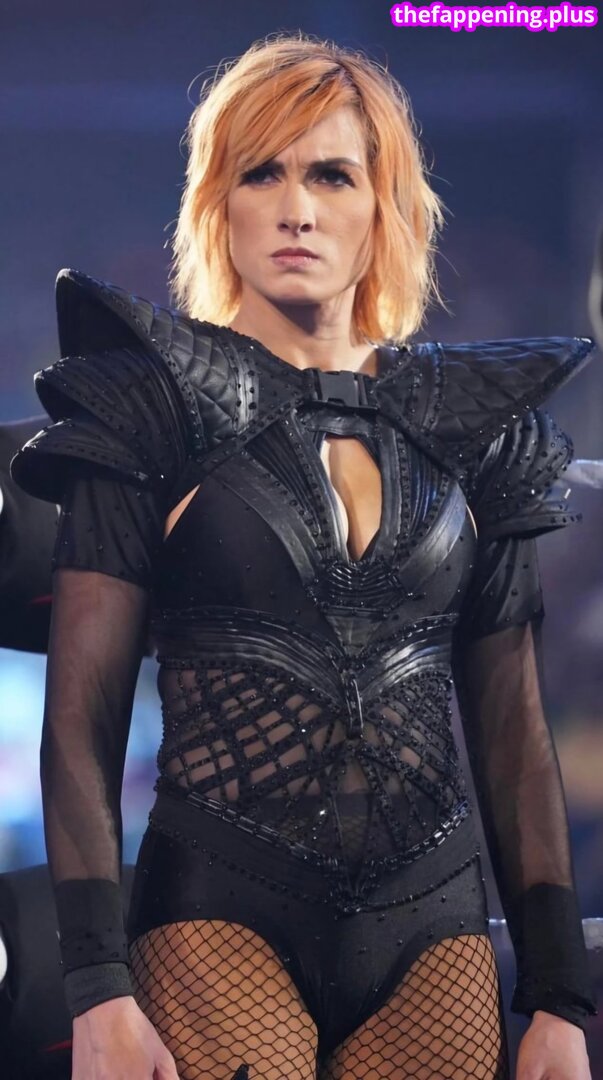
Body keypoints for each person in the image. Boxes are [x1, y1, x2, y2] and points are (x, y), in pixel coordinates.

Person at [10, 32, 597, 1080]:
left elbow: (512, 732)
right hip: (217, 912)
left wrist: (561, 998)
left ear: (383, 205)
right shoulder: (146, 406)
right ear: (217, 201)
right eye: (262, 173)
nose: (296, 209)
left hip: (436, 930)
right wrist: (98, 989)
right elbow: (82, 722)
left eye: (331, 174)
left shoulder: (477, 428)